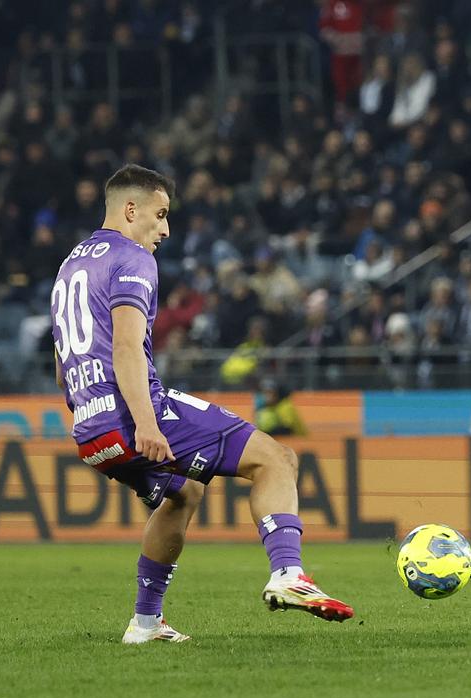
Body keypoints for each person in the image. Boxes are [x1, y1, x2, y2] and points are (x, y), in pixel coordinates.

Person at [50, 164, 353, 644]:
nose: (166, 229)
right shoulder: (132, 258)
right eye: (161, 214)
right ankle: (289, 574)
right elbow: (126, 348)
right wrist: (146, 423)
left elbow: (61, 358)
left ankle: (145, 624)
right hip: (135, 414)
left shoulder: (72, 263)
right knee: (276, 458)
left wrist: (88, 412)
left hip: (91, 427)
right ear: (131, 210)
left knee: (184, 493)